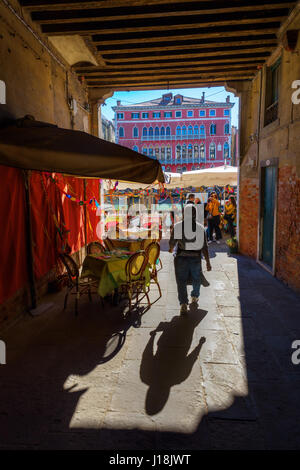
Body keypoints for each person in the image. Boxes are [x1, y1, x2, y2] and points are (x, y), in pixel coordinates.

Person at [169, 205, 211, 315]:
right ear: (195, 214)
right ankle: (195, 296)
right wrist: (208, 262)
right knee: (196, 278)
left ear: (183, 213)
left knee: (181, 281)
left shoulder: (178, 226)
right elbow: (204, 247)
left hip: (181, 258)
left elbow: (171, 244)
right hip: (195, 258)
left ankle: (183, 304)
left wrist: (170, 248)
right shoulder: (200, 228)